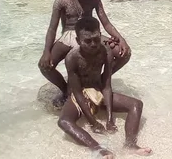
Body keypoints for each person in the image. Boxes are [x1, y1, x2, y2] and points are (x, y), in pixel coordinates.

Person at [38, 0, 131, 106]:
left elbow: (106, 23)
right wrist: (46, 51)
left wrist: (121, 39)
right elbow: (52, 28)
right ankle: (65, 89)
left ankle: (101, 81)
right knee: (44, 66)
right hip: (69, 35)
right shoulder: (61, 1)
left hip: (92, 35)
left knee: (125, 53)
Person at [58, 16, 151, 157]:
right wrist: (93, 122)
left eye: (96, 39)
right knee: (64, 121)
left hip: (98, 89)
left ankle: (130, 144)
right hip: (80, 94)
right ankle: (98, 148)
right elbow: (76, 92)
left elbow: (107, 85)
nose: (93, 44)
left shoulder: (105, 51)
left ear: (100, 35)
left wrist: (109, 119)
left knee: (136, 104)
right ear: (78, 41)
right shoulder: (72, 58)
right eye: (87, 41)